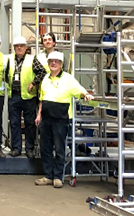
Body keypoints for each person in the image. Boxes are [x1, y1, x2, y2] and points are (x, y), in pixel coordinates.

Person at [35, 51, 94, 188]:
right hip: (46, 119)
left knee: (60, 149)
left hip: (61, 120)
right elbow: (42, 99)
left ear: (61, 64)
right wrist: (39, 115)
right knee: (46, 148)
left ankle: (58, 177)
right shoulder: (45, 79)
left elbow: (78, 89)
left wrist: (86, 94)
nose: (53, 63)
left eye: (56, 61)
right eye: (51, 61)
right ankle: (48, 176)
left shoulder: (68, 79)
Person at [6, 36, 46, 158]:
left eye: (21, 46)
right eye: (17, 46)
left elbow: (42, 72)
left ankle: (29, 149)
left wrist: (33, 82)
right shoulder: (8, 59)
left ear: (25, 48)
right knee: (14, 123)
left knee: (29, 124)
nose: (19, 48)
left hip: (29, 97)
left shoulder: (32, 59)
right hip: (14, 96)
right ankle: (16, 148)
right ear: (14, 48)